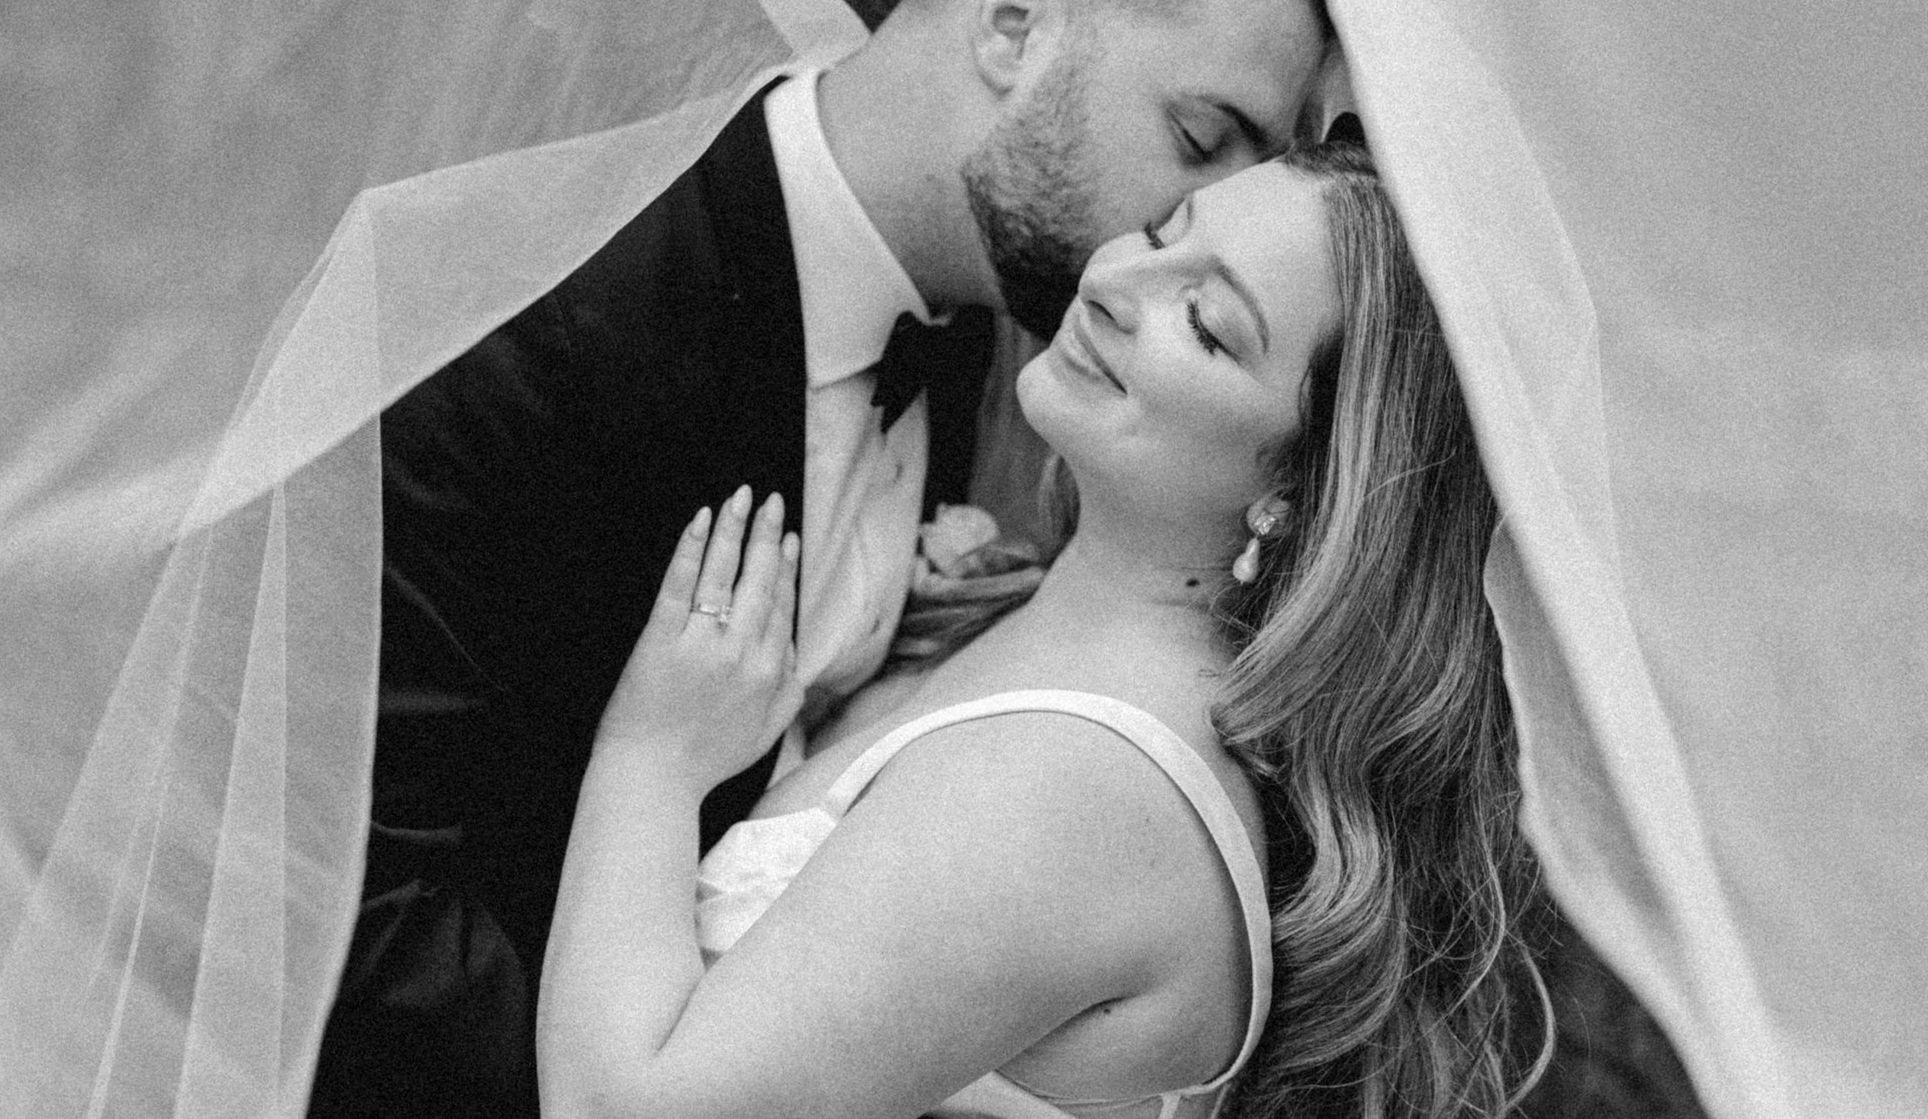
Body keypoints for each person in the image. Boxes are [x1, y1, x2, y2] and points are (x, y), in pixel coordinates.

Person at [312, 0, 1334, 1117]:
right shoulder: (546, 312)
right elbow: (340, 878)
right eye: (1196, 148)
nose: (1162, 248)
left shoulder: (988, 340)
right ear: (1014, 28)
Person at [539, 140, 1545, 1118]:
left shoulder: (1077, 786)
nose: (1116, 278)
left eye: (1204, 321)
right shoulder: (1038, 627)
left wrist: (652, 754)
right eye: (1163, 227)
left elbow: (616, 1106)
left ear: (1301, 493)